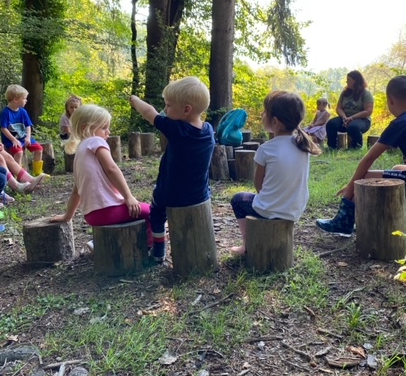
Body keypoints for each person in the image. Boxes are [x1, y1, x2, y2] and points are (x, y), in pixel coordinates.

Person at [316, 75, 406, 236]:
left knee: (364, 178)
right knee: (396, 169)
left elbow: (368, 159)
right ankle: (371, 216)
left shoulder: (400, 123)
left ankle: (344, 221)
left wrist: (351, 187)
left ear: (390, 101)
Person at [129, 77, 215, 262]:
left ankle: (159, 249)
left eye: (168, 105)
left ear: (186, 110)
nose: (165, 110)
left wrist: (135, 100)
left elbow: (148, 112)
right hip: (200, 194)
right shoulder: (208, 131)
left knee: (156, 212)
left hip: (170, 195)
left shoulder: (176, 130)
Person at [51, 105, 152, 252]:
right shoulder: (95, 142)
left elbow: (76, 191)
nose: (108, 132)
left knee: (139, 213)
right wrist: (128, 197)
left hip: (92, 216)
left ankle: (99, 242)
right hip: (107, 211)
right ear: (87, 128)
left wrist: (67, 216)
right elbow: (112, 169)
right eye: (104, 127)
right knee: (151, 211)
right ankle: (151, 248)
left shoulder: (80, 151)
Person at [230, 91, 321, 254]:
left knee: (238, 199)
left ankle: (246, 245)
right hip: (294, 210)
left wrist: (268, 200)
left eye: (265, 112)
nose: (262, 115)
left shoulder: (266, 148)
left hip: (270, 210)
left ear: (275, 121)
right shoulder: (303, 146)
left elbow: (258, 185)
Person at [0, 84, 45, 175]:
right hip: (11, 140)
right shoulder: (5, 113)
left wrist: (28, 137)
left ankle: (38, 173)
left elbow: (28, 125)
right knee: (19, 153)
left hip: (23, 137)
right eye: (24, 98)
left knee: (39, 149)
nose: (26, 100)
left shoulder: (23, 111)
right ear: (16, 99)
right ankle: (19, 175)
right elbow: (3, 129)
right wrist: (14, 140)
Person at [325, 70, 374, 149]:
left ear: (355, 81)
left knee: (353, 126)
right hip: (345, 119)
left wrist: (352, 118)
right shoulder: (345, 93)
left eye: (348, 80)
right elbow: (339, 108)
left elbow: (368, 111)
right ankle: (332, 147)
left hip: (362, 120)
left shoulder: (366, 93)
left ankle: (356, 147)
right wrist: (344, 117)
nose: (346, 81)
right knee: (331, 124)